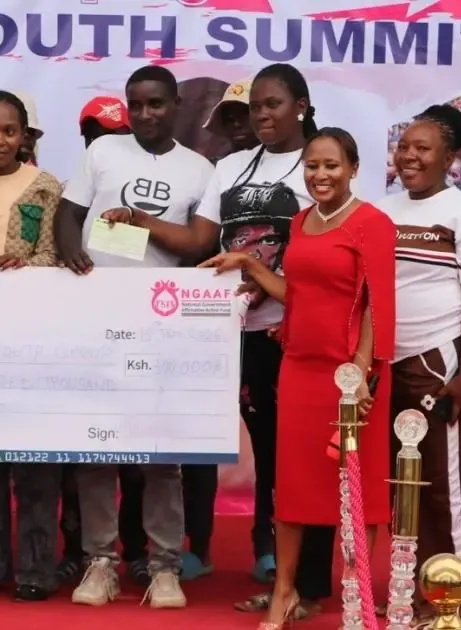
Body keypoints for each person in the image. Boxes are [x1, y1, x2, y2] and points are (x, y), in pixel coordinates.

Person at [201, 128, 397, 629]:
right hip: (300, 371)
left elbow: (376, 303)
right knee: (292, 490)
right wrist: (248, 262)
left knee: (356, 492)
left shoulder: (373, 224)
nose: (320, 174)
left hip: (351, 377)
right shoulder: (300, 221)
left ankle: (355, 597)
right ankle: (284, 592)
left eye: (332, 165)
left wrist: (361, 372)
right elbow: (297, 293)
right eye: (312, 165)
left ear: (353, 169)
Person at [53, 65, 216, 609]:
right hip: (95, 317)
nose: (145, 114)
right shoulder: (103, 152)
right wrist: (71, 253)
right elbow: (69, 215)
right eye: (136, 104)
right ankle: (100, 562)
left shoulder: (199, 169)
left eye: (156, 104)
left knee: (161, 454)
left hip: (160, 325)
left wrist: (142, 222)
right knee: (96, 446)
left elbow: (199, 246)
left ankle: (164, 567)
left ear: (175, 106)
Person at [194, 63, 338, 621]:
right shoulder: (230, 166)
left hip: (296, 335)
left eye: (273, 104)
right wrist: (131, 222)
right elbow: (201, 240)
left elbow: (334, 255)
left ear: (300, 106)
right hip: (239, 333)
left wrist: (292, 306)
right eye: (255, 105)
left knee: (308, 461)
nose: (261, 114)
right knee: (274, 461)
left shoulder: (320, 165)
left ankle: (310, 585)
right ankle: (283, 579)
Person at [375, 105, 461, 619]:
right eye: (404, 146)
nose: (409, 156)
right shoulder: (381, 211)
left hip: (435, 360)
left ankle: (447, 597)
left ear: (449, 159)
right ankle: (407, 585)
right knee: (396, 482)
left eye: (422, 149)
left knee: (439, 488)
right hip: (384, 361)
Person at [0, 90, 65, 602]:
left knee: (35, 458)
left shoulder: (46, 186)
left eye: (9, 131)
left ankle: (37, 568)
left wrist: (27, 265)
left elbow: (56, 254)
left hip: (32, 337)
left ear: (24, 136)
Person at [54, 94, 141, 585]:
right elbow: (63, 234)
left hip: (139, 327)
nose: (104, 142)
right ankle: (78, 548)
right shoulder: (75, 185)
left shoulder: (144, 185)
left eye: (116, 134)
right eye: (95, 133)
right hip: (84, 328)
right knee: (82, 446)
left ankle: (135, 549)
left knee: (137, 453)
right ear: (84, 136)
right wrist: (70, 251)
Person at [202, 79, 259, 153]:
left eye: (244, 115)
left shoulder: (273, 158)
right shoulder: (224, 160)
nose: (236, 124)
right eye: (229, 118)